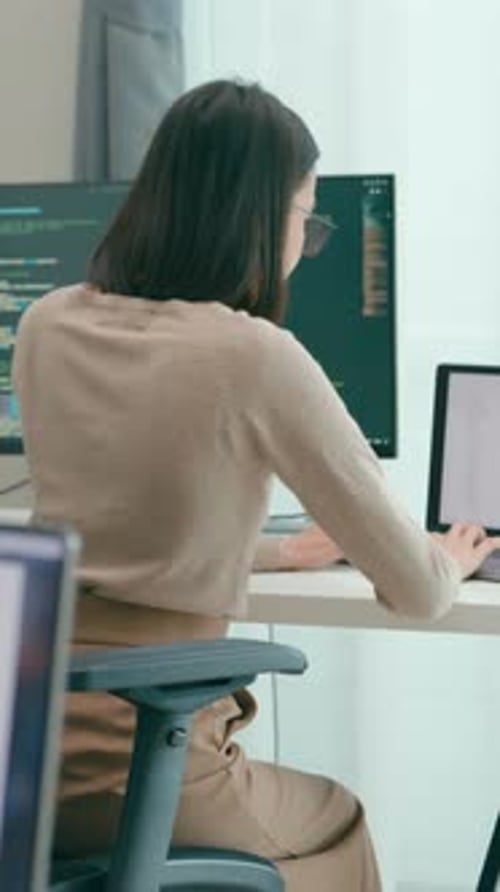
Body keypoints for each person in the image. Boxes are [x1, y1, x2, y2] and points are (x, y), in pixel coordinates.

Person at [13, 79, 500, 891]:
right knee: (337, 818)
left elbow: (110, 539)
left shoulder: (45, 324)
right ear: (261, 216)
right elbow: (417, 592)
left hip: (23, 757)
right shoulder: (254, 355)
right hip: (148, 769)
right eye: (304, 216)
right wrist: (449, 554)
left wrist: (274, 554)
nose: (302, 240)